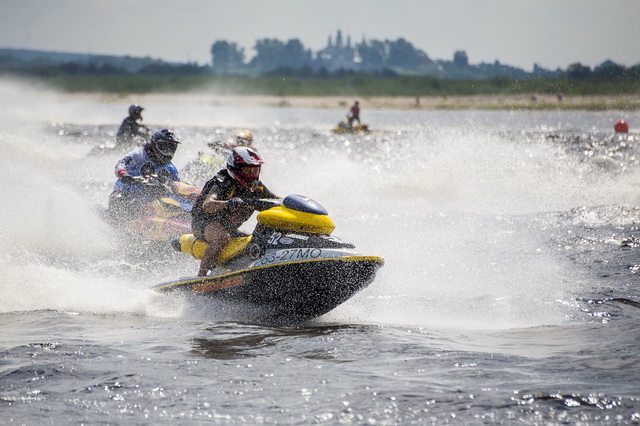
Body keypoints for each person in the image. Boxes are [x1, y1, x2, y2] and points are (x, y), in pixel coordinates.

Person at [191, 147, 279, 276]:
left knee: (255, 240)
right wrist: (227, 203)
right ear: (235, 169)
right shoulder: (221, 182)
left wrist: (291, 202)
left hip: (229, 227)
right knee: (221, 237)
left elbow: (275, 200)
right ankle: (201, 277)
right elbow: (207, 205)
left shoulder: (256, 186)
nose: (252, 175)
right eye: (248, 171)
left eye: (255, 170)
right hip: (203, 223)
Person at [108, 129, 181, 219]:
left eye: (171, 148)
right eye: (164, 147)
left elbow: (177, 186)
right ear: (154, 144)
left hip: (150, 205)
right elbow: (121, 164)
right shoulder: (140, 154)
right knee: (127, 203)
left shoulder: (171, 168)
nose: (168, 152)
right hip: (125, 196)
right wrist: (124, 175)